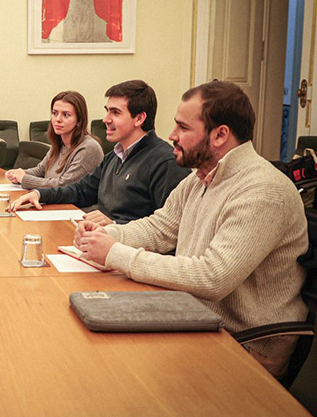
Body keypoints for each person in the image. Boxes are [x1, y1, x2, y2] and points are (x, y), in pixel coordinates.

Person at [74, 81, 308, 377]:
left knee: (118, 375)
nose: (172, 136)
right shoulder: (201, 177)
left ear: (220, 134)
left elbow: (213, 278)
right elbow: (160, 227)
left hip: (246, 346)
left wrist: (116, 254)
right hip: (197, 319)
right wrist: (107, 237)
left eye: (183, 128)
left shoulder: (263, 191)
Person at [9, 80, 190, 225]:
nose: (105, 119)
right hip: (101, 244)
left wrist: (116, 224)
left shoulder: (165, 161)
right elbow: (81, 191)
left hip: (128, 255)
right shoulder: (114, 157)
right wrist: (40, 194)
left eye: (115, 113)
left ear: (139, 118)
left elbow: (169, 227)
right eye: (107, 111)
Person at [4, 90, 103, 188]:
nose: (58, 119)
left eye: (66, 115)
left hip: (74, 204)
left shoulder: (89, 148)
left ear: (79, 120)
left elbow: (64, 185)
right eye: (55, 113)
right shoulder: (60, 143)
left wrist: (25, 179)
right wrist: (18, 174)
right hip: (55, 202)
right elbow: (40, 170)